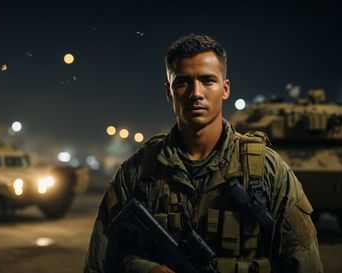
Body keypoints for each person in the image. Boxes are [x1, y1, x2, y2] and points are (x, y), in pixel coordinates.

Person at [83, 34, 323, 273]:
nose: (196, 93)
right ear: (169, 92)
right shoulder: (137, 171)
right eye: (183, 82)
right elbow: (99, 265)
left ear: (225, 89)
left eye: (208, 81)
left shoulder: (266, 170)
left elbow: (305, 262)